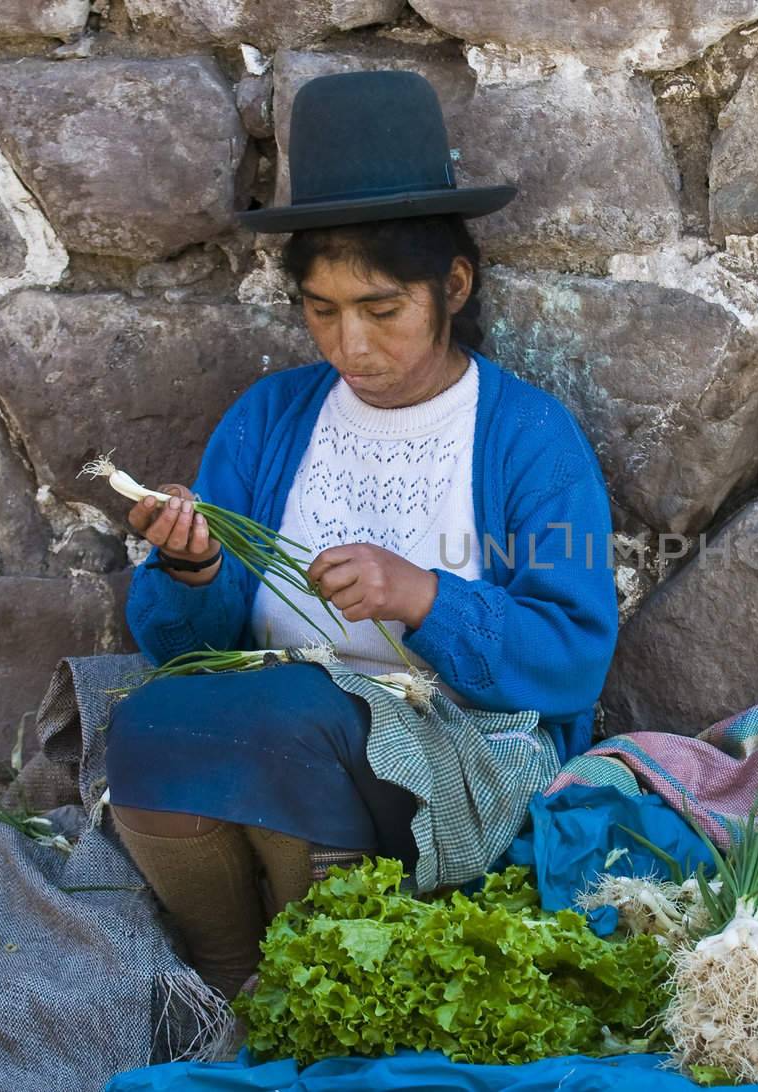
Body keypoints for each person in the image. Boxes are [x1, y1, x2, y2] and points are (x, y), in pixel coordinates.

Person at [103, 70, 619, 998]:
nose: (351, 345)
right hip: (280, 720)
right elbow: (180, 648)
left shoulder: (529, 438)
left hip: (462, 750)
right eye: (322, 311)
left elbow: (574, 657)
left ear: (452, 285)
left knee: (291, 723)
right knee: (147, 721)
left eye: (382, 310)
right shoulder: (270, 419)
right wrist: (195, 565)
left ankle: (324, 975)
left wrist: (423, 596)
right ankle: (226, 974)